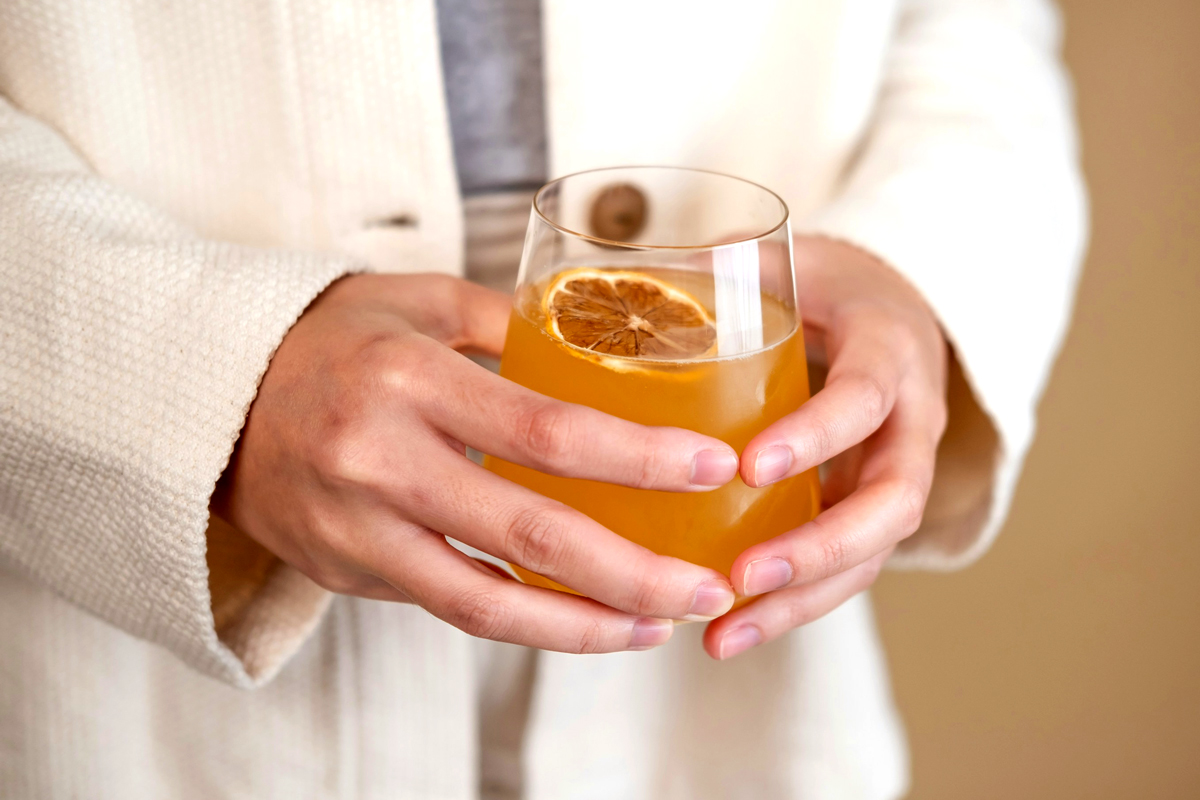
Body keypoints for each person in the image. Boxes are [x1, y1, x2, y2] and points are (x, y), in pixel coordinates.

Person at [0, 1, 1086, 798]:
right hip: (113, 702)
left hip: (730, 718)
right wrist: (196, 371)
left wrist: (917, 269)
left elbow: (970, 34)